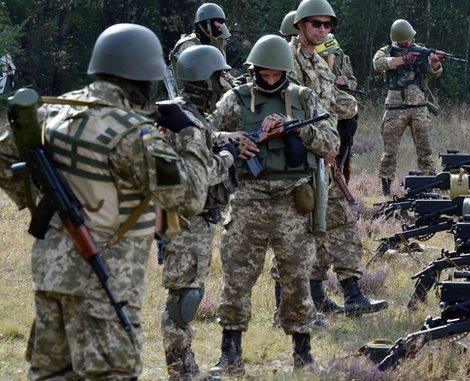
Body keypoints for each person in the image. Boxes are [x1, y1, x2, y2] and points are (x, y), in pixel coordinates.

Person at [0, 23, 232, 380]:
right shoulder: (130, 134)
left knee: (51, 374)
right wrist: (190, 135)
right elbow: (189, 196)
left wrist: (45, 208)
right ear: (143, 78)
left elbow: (4, 160)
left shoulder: (55, 112)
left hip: (51, 274)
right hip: (105, 280)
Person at [209, 35, 338, 375]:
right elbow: (206, 135)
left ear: (285, 72)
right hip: (248, 197)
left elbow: (330, 140)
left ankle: (302, 351)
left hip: (292, 199)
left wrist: (296, 131)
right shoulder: (234, 100)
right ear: (253, 71)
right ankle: (230, 353)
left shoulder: (303, 99)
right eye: (262, 75)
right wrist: (233, 140)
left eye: (274, 75)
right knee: (237, 274)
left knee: (297, 274)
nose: (268, 80)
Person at [281, 0, 388, 317]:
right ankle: (295, 305)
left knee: (340, 222)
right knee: (298, 235)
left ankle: (352, 295)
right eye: (316, 24)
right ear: (301, 25)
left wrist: (345, 109)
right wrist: (321, 141)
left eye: (328, 25)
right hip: (298, 162)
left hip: (323, 160)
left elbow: (340, 104)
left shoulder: (318, 62)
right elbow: (289, 112)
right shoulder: (288, 59)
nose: (323, 30)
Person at [159, 45, 238, 381]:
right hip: (188, 222)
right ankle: (181, 372)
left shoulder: (188, 115)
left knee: (187, 293)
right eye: (219, 75)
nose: (225, 82)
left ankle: (185, 367)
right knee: (183, 299)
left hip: (191, 220)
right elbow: (200, 174)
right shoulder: (188, 122)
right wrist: (228, 158)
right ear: (205, 79)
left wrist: (220, 139)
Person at [373, 19, 443, 195]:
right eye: (406, 40)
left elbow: (435, 72)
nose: (410, 42)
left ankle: (428, 187)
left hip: (419, 107)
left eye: (411, 39)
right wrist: (402, 60)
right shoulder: (387, 51)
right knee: (389, 152)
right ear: (397, 39)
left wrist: (434, 62)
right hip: (395, 108)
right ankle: (386, 189)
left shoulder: (421, 51)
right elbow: (378, 64)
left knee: (425, 150)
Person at [316, 33, 358, 182]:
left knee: (350, 125)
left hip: (339, 105)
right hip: (322, 106)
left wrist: (345, 82)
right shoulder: (308, 60)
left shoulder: (342, 58)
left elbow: (353, 82)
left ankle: (339, 169)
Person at [169, 3, 238, 88]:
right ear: (207, 24)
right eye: (217, 26)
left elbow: (220, 72)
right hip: (193, 96)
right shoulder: (188, 45)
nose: (220, 31)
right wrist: (232, 90)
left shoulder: (204, 46)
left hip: (209, 95)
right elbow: (208, 74)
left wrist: (235, 83)